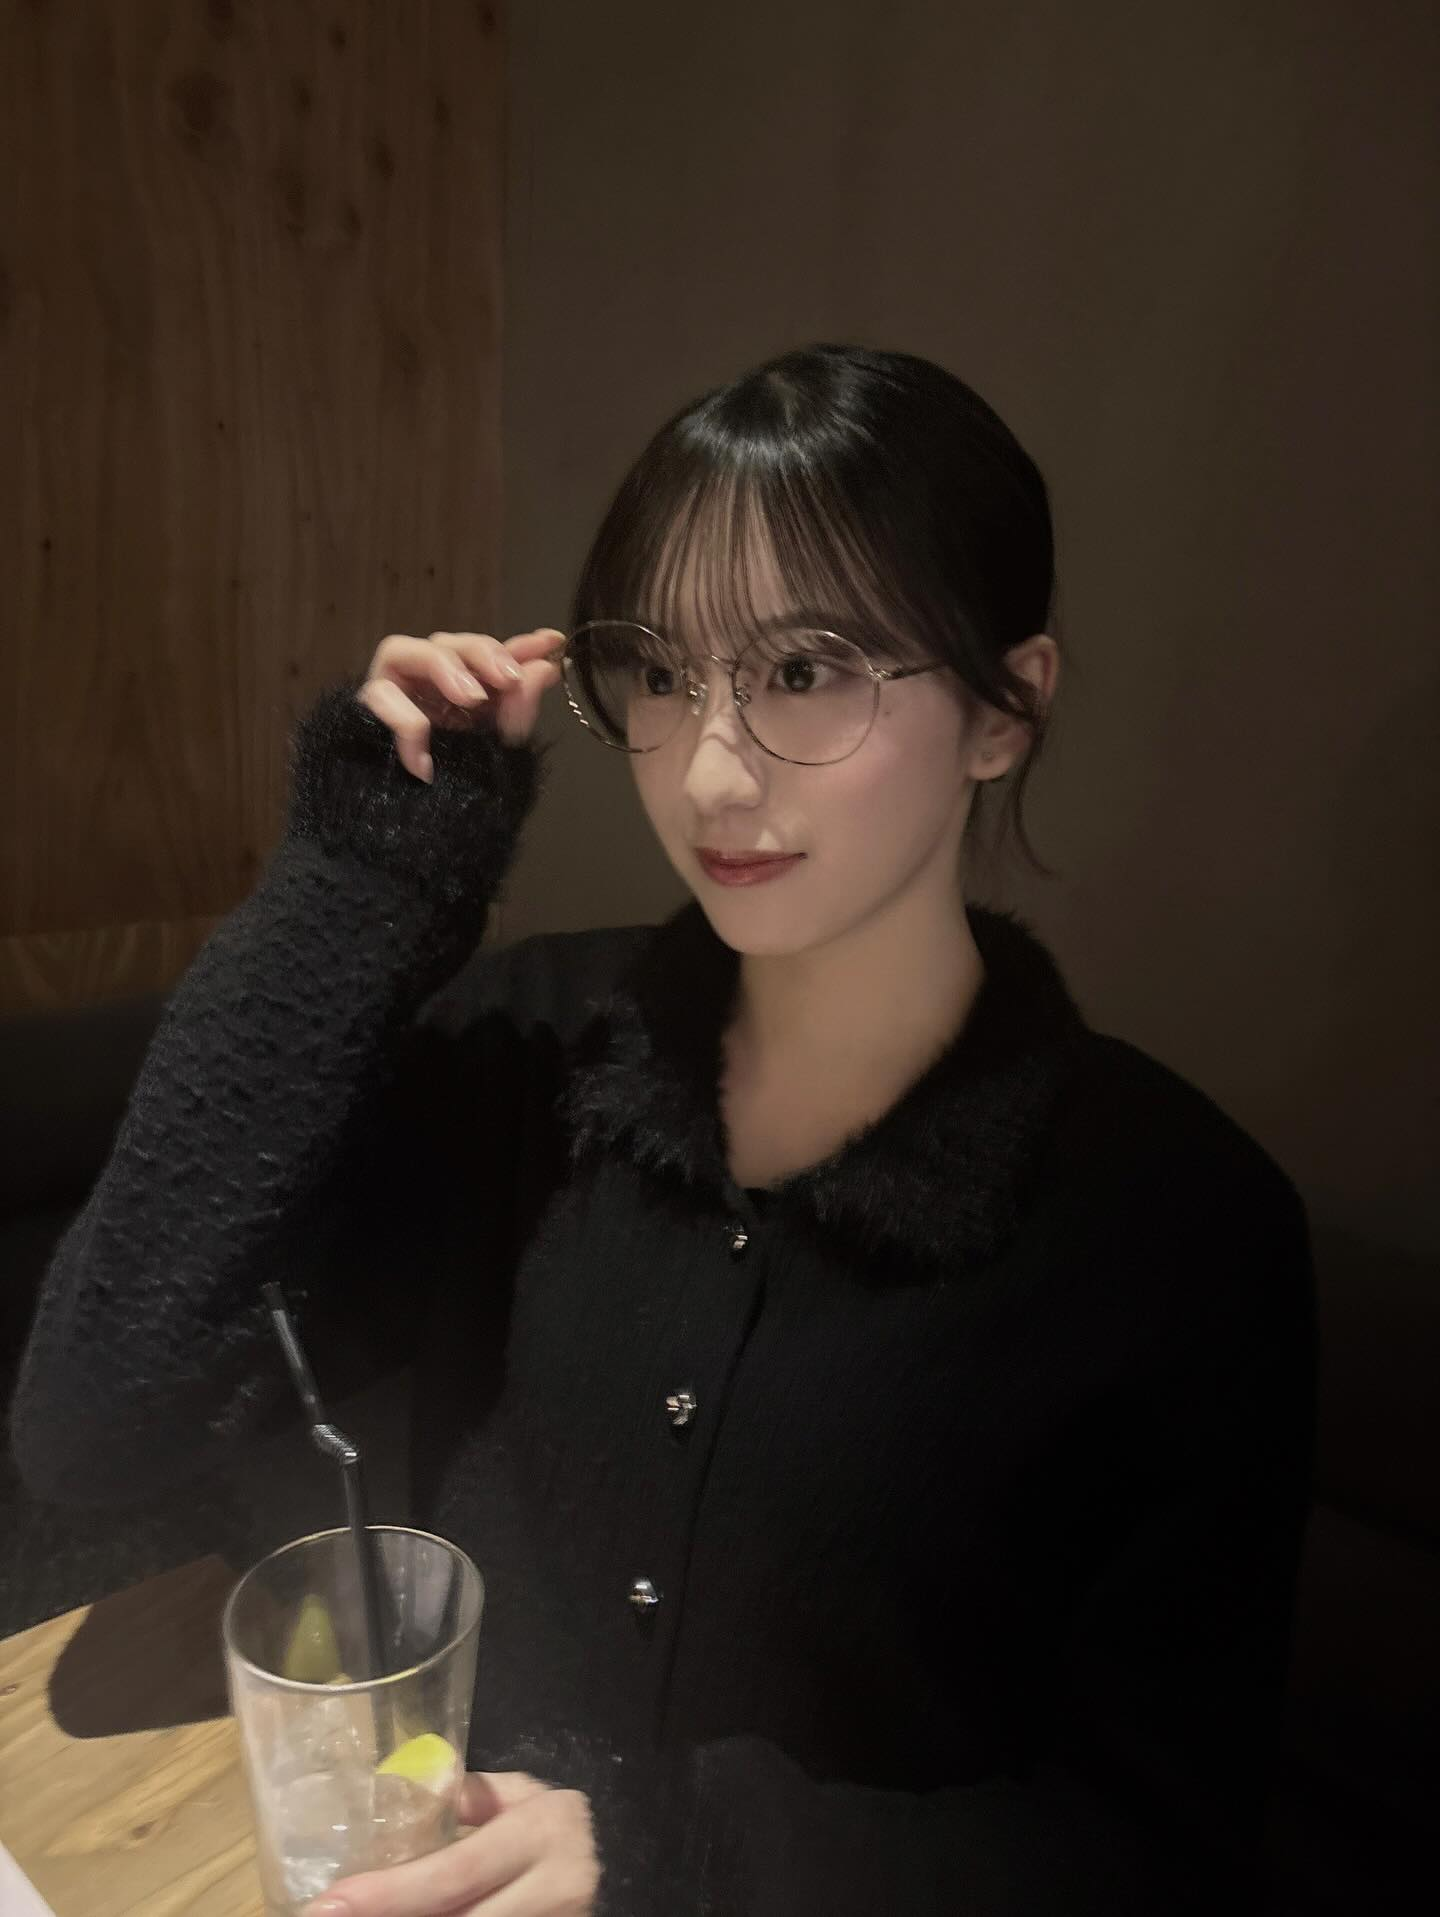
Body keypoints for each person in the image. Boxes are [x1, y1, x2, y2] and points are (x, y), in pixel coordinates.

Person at [9, 343, 1316, 1917]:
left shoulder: (1177, 1228)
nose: (708, 771)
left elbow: (1152, 1851)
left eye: (806, 671)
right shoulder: (533, 1052)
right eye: (662, 673)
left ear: (1005, 708)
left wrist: (673, 1858)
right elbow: (96, 1424)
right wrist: (360, 884)